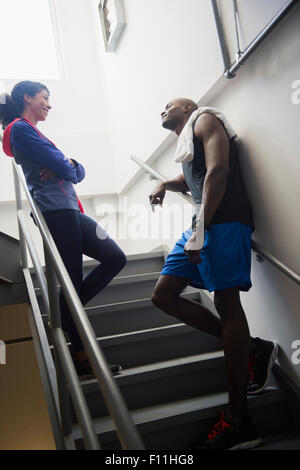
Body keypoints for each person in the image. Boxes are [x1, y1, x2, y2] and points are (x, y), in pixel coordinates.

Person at [149, 98, 278, 450]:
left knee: (226, 300)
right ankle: (253, 349)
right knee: (163, 294)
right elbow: (194, 176)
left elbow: (218, 171)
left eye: (169, 104)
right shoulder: (188, 141)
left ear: (189, 107)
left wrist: (201, 229)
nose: (162, 108)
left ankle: (239, 420)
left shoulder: (205, 119)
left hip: (224, 220)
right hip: (203, 223)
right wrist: (165, 185)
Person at [0, 81, 125, 380]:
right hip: (55, 212)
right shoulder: (20, 129)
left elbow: (74, 171)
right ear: (27, 97)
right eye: (45, 98)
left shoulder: (33, 132)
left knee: (115, 257)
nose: (49, 104)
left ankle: (66, 312)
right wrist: (65, 165)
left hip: (71, 210)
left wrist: (68, 164)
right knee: (72, 280)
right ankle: (82, 356)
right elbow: (67, 170)